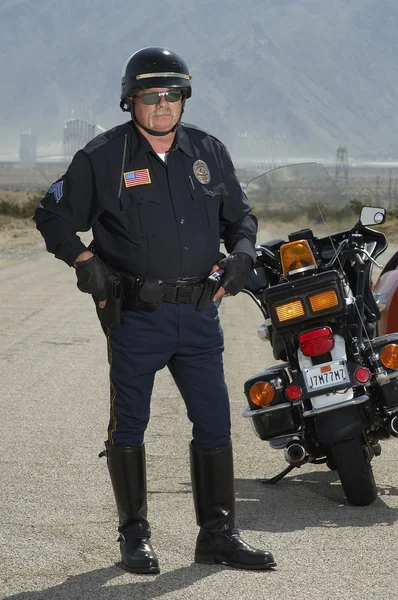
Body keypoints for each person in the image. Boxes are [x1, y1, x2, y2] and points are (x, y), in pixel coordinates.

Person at [34, 46, 276, 574]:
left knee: (213, 423)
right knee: (130, 426)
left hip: (199, 315)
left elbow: (242, 218)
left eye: (172, 94)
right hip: (137, 317)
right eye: (150, 96)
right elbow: (50, 214)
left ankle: (217, 535)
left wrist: (241, 253)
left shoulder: (208, 151)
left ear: (183, 98)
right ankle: (134, 537)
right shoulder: (102, 159)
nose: (162, 105)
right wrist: (83, 261)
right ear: (130, 101)